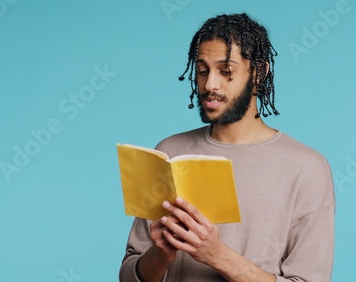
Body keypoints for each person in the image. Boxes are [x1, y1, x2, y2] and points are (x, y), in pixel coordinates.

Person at [119, 13, 335, 282]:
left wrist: (217, 255)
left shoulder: (307, 169)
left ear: (259, 72)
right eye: (202, 71)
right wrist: (161, 254)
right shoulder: (169, 151)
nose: (210, 84)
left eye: (226, 71)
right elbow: (129, 275)